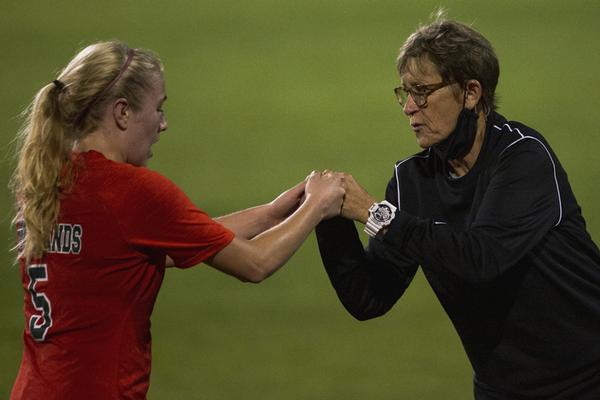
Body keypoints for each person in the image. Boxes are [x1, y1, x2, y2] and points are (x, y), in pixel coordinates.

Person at [9, 41, 345, 400]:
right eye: (159, 108)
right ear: (122, 112)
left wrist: (272, 212)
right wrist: (318, 205)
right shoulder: (132, 191)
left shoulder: (46, 180)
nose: (164, 124)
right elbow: (255, 263)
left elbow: (155, 250)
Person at [315, 17, 600, 399]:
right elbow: (368, 296)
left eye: (422, 92)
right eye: (405, 93)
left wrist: (374, 213)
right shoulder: (411, 182)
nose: (409, 108)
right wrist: (328, 215)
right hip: (502, 391)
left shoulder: (523, 158)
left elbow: (480, 259)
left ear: (470, 92)